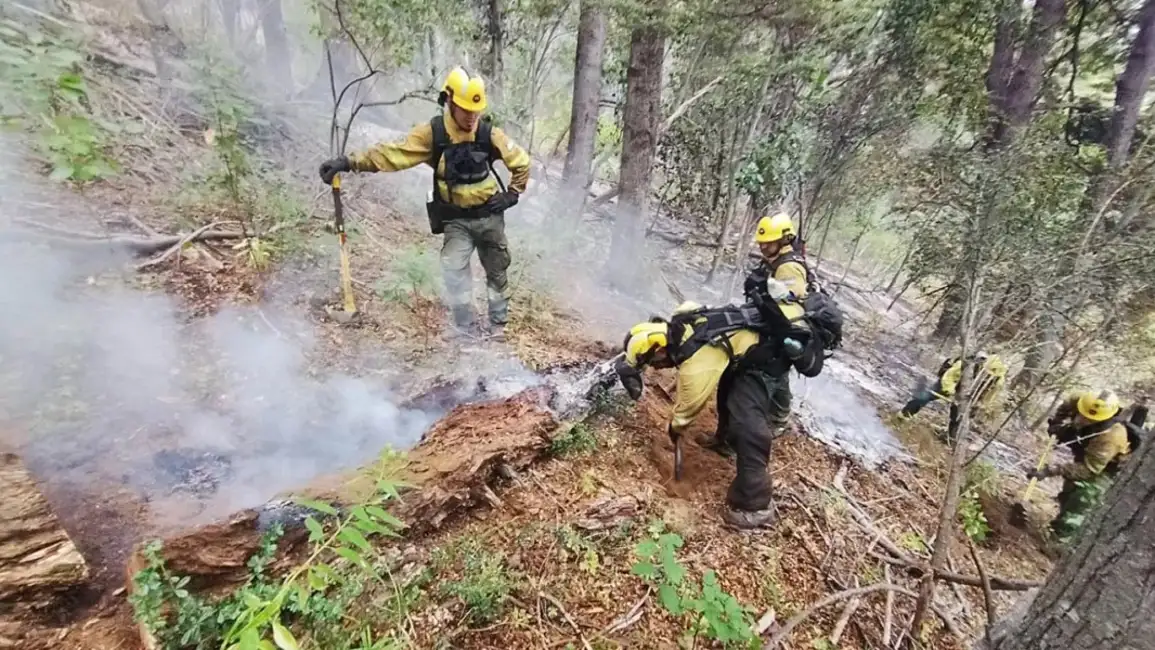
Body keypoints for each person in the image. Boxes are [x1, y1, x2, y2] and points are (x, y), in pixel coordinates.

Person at [318, 68, 531, 339]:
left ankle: (498, 326)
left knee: (497, 269)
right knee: (454, 269)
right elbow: (393, 154)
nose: (472, 117)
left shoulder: (489, 134)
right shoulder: (434, 134)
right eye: (466, 110)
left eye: (476, 111)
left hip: (489, 216)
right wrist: (349, 162)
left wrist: (513, 193)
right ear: (450, 101)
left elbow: (521, 161)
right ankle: (465, 328)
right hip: (456, 220)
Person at [614, 296, 822, 530]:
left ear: (661, 349)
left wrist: (676, 428)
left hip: (768, 356)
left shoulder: (697, 361)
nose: (656, 367)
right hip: (746, 350)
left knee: (747, 423)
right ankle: (725, 442)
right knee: (727, 393)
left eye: (653, 361)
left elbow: (688, 408)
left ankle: (755, 505)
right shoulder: (683, 320)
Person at [740, 213, 814, 435]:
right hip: (776, 325)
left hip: (784, 329)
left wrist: (766, 295)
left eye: (768, 243)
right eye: (762, 243)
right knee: (779, 374)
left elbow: (790, 304)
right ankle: (779, 417)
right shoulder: (774, 261)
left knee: (766, 376)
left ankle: (757, 429)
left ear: (783, 240)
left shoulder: (789, 267)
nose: (763, 247)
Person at [1028, 390, 1134, 543]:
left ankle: (1061, 539)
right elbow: (1065, 408)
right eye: (1082, 414)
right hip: (1086, 446)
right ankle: (1061, 521)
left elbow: (1089, 469)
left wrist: (1049, 471)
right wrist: (1057, 424)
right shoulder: (1080, 400)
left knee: (1083, 494)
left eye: (1089, 419)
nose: (1083, 419)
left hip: (1105, 468)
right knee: (1068, 490)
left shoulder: (1111, 436)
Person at [899, 351, 1006, 419]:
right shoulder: (968, 365)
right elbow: (948, 377)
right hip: (949, 384)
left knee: (958, 416)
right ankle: (905, 414)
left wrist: (980, 405)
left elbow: (991, 394)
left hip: (966, 394)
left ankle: (952, 438)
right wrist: (950, 391)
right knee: (926, 397)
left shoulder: (997, 379)